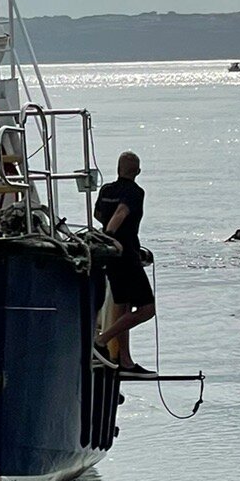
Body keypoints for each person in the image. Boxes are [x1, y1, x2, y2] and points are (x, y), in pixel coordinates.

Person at [94, 150, 155, 373]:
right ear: (137, 171)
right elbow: (121, 212)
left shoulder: (106, 190)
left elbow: (98, 214)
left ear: (118, 169)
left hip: (111, 257)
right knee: (147, 309)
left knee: (125, 308)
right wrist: (113, 235)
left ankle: (125, 361)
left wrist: (106, 237)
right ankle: (102, 340)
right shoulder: (135, 192)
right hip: (126, 256)